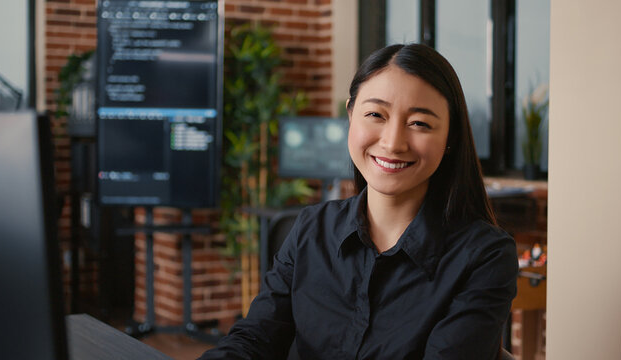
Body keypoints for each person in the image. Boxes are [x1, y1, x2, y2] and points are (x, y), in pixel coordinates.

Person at [199, 43, 518, 360]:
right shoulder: (312, 228)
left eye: (419, 123)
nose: (393, 142)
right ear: (351, 114)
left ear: (450, 136)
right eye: (376, 114)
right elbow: (255, 338)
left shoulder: (484, 256)